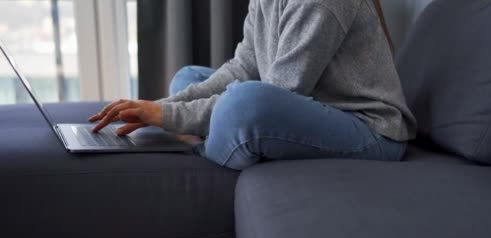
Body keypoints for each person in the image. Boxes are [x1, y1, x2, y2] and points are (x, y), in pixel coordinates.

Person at [88, 0, 417, 171]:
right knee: (187, 77)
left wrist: (170, 117)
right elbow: (244, 66)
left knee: (246, 104)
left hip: (371, 131)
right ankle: (224, 138)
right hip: (309, 102)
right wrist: (160, 107)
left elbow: (279, 92)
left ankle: (203, 144)